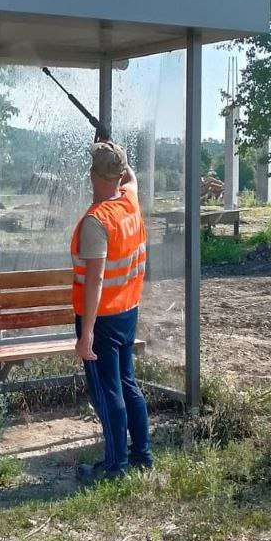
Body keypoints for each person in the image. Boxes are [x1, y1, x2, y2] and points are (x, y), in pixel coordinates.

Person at [72, 141, 152, 482]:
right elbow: (130, 174)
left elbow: (96, 279)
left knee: (108, 391)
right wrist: (115, 148)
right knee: (127, 383)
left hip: (101, 317)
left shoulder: (96, 221)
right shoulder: (130, 199)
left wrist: (86, 331)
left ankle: (115, 466)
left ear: (93, 176)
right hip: (127, 310)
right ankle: (141, 455)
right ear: (119, 174)